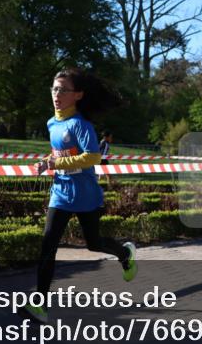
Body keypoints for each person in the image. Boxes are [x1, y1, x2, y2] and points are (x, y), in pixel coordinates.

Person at [22, 69, 136, 322]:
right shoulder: (52, 123)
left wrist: (56, 163)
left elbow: (93, 157)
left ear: (78, 95)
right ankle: (40, 305)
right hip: (60, 193)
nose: (57, 94)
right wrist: (46, 162)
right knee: (48, 245)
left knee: (94, 243)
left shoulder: (81, 125)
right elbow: (58, 154)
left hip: (85, 194)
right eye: (54, 89)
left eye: (63, 90)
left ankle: (124, 254)